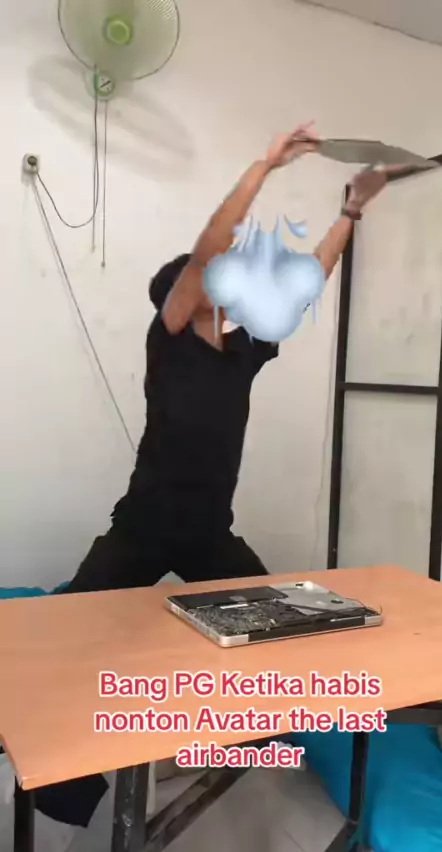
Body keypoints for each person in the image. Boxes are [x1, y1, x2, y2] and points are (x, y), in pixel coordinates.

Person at [64, 126, 389, 595]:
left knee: (273, 612)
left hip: (209, 534)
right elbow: (211, 246)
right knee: (69, 617)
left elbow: (310, 278)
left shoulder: (244, 349)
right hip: (143, 526)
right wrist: (266, 166)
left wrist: (351, 210)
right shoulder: (170, 336)